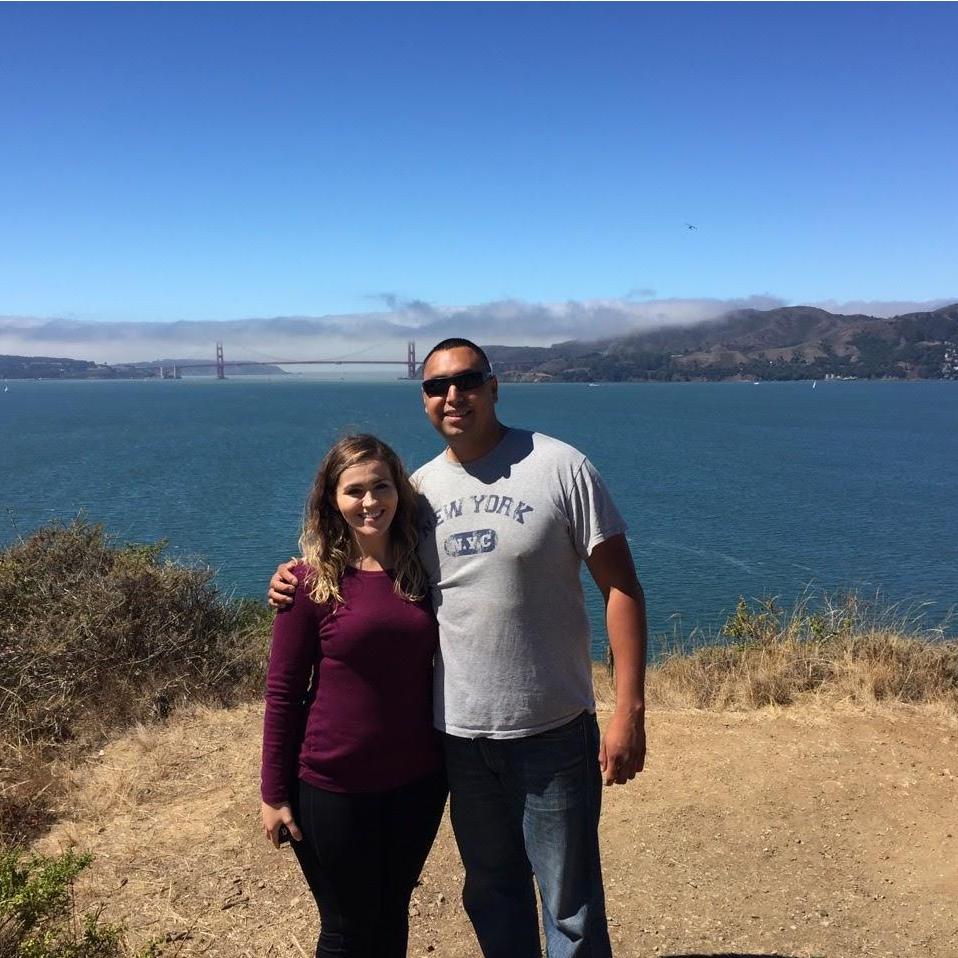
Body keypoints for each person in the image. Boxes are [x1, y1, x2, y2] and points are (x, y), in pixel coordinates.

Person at [270, 339, 647, 958]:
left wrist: (627, 711)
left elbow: (623, 589)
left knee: (570, 906)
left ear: (494, 386)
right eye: (437, 385)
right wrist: (293, 577)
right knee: (492, 893)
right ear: (423, 401)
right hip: (458, 740)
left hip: (552, 731)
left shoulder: (560, 466)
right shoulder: (416, 493)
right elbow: (365, 571)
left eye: (468, 380)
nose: (453, 395)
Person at [260, 434, 447, 958]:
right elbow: (283, 693)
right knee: (347, 928)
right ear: (331, 501)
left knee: (391, 915)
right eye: (355, 491)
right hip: (333, 785)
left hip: (419, 782)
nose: (370, 502)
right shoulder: (309, 584)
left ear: (399, 493)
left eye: (381, 487)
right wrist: (273, 794)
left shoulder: (423, 573)